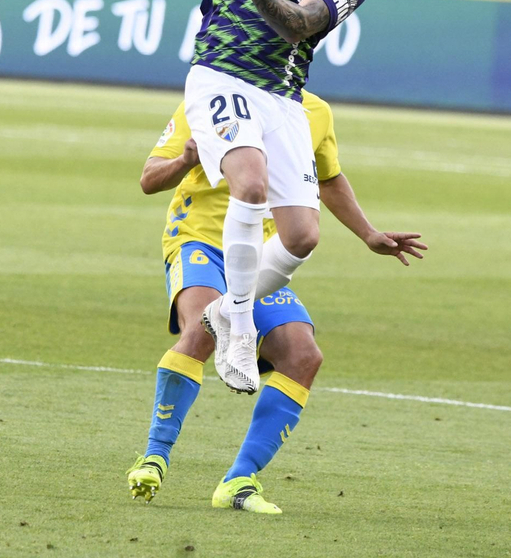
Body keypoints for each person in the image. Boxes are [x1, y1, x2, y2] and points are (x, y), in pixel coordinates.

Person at [44, 0, 405, 393]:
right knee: (250, 185)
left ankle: (224, 313)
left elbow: (301, 24)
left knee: (302, 236)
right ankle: (237, 329)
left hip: (282, 95)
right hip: (221, 73)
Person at [126, 91, 425, 514]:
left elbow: (328, 180)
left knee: (303, 355)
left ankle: (239, 480)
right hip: (199, 240)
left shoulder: (315, 112)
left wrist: (368, 233)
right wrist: (185, 160)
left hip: (257, 256)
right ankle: (154, 457)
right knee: (204, 328)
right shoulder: (214, 96)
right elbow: (149, 178)